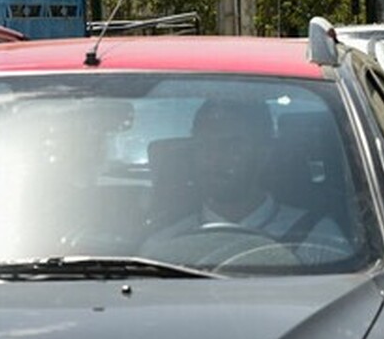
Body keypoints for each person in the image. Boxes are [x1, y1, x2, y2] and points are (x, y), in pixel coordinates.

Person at [140, 98, 353, 268]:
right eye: (204, 145)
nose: (214, 158)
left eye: (231, 146)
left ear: (264, 152)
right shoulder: (162, 248)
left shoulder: (316, 240)